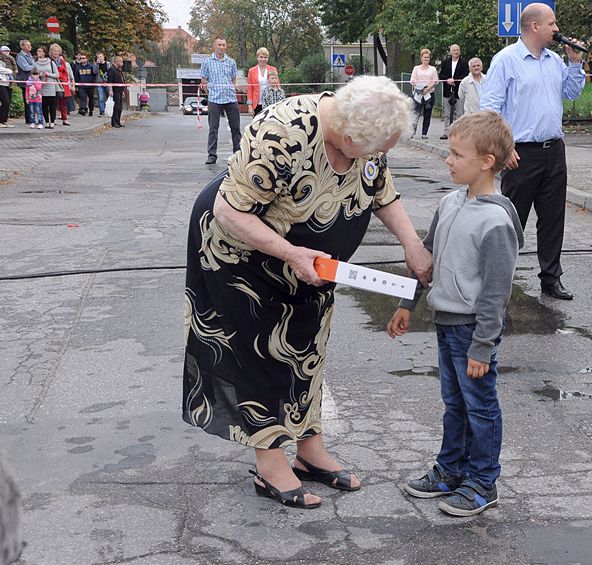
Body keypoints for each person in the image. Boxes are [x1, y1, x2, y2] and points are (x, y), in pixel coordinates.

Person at [182, 75, 431, 510]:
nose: (381, 156)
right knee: (258, 352)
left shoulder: (368, 133)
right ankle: (270, 462)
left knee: (307, 345)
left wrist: (411, 243)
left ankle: (309, 450)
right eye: (377, 148)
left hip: (309, 263)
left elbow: (380, 191)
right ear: (350, 135)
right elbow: (228, 209)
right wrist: (292, 254)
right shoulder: (283, 131)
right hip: (241, 252)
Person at [388, 111, 521, 517]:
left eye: (456, 154)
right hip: (445, 325)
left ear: (486, 162)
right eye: (449, 152)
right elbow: (424, 261)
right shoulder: (448, 203)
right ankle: (451, 470)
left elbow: (497, 291)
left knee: (480, 406)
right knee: (454, 402)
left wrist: (482, 346)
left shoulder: (496, 219)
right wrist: (407, 303)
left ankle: (483, 482)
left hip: (472, 331)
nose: (448, 161)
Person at [480, 2, 586, 300]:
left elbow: (573, 93)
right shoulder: (506, 60)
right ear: (535, 27)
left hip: (554, 150)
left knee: (552, 218)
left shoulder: (554, 60)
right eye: (552, 24)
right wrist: (504, 146)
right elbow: (490, 108)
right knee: (512, 220)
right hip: (520, 153)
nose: (557, 29)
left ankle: (551, 278)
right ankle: (499, 281)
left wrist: (575, 63)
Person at [200, 37, 240, 164]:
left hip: (230, 98)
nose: (221, 47)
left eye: (223, 45)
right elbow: (204, 81)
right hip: (214, 99)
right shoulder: (207, 62)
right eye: (219, 45)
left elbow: (233, 80)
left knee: (236, 128)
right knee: (213, 128)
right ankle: (212, 155)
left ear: (226, 46)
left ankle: (237, 153)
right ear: (214, 46)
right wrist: (210, 93)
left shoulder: (231, 62)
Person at [438, 44, 469, 139]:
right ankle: (447, 132)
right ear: (451, 52)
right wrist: (448, 80)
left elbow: (465, 75)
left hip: (459, 92)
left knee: (460, 114)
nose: (456, 52)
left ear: (459, 51)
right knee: (447, 114)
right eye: (454, 50)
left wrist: (454, 81)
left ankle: (459, 133)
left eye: (457, 50)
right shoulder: (445, 63)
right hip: (447, 91)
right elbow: (441, 75)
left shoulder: (464, 63)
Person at [410, 48, 438, 139]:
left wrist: (427, 89)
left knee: (427, 114)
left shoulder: (433, 69)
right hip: (418, 94)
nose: (426, 59)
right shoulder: (416, 68)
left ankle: (424, 133)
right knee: (415, 113)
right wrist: (420, 88)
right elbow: (413, 80)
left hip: (429, 94)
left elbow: (435, 81)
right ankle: (412, 132)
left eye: (428, 57)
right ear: (421, 58)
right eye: (425, 57)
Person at [34, 46, 59, 129]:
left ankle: (52, 121)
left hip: (51, 86)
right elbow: (33, 74)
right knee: (44, 105)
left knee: (52, 105)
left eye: (40, 51)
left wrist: (47, 74)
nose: (39, 53)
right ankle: (46, 121)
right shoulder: (36, 63)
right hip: (41, 87)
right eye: (38, 51)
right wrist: (38, 75)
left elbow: (57, 75)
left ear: (44, 53)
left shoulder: (51, 63)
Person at [247, 47, 277, 117]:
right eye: (261, 57)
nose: (263, 59)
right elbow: (250, 89)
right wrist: (249, 105)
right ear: (257, 58)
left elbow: (277, 86)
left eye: (265, 57)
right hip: (257, 103)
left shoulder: (273, 69)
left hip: (270, 103)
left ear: (268, 58)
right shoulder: (251, 71)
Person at [50, 44, 71, 125]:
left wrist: (64, 80)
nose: (56, 52)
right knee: (53, 102)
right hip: (52, 82)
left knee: (63, 102)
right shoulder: (49, 60)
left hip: (62, 82)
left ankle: (64, 119)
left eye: (58, 51)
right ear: (51, 51)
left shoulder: (62, 61)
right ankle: (53, 120)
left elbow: (65, 72)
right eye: (54, 50)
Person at [15, 40, 34, 125]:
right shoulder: (20, 56)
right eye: (27, 45)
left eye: (30, 45)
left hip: (32, 80)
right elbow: (25, 67)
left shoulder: (30, 55)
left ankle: (32, 118)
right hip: (25, 81)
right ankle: (29, 119)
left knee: (32, 99)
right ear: (22, 47)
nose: (29, 47)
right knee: (27, 99)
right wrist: (35, 66)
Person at [107, 55, 125, 128]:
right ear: (117, 62)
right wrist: (110, 90)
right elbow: (110, 81)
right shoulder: (112, 69)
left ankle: (118, 121)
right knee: (116, 107)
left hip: (119, 91)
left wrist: (122, 91)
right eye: (121, 62)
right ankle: (114, 122)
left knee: (119, 107)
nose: (122, 63)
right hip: (115, 91)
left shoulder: (119, 70)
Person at [0, 46, 15, 128]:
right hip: (1, 83)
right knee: (5, 102)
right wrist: (9, 71)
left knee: (8, 103)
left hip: (9, 83)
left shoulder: (11, 59)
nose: (7, 52)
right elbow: (1, 69)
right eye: (4, 51)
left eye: (8, 51)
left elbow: (14, 68)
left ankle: (4, 121)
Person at [94, 52, 110, 116]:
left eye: (100, 57)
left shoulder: (108, 64)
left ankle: (109, 110)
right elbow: (94, 72)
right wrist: (97, 64)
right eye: (98, 57)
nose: (99, 58)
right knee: (101, 97)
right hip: (99, 82)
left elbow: (111, 72)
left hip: (107, 82)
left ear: (103, 57)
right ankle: (102, 111)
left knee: (109, 96)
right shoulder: (96, 64)